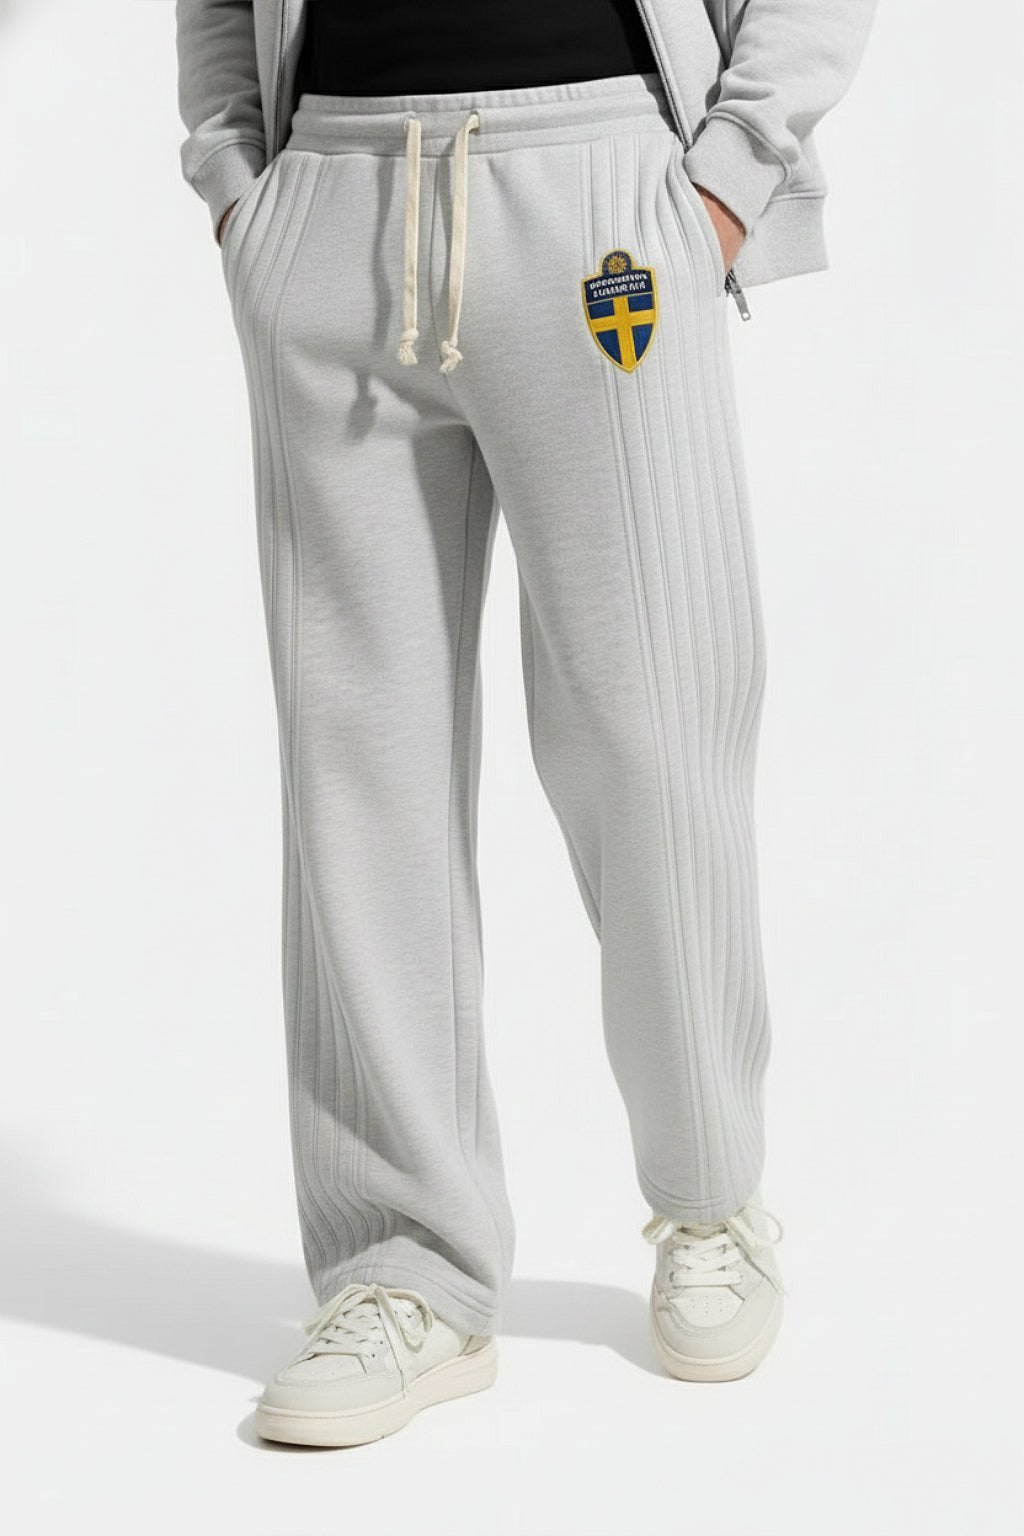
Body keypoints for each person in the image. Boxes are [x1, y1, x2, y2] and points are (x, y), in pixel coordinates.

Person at [176, 0, 875, 1446]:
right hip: (332, 192)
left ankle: (709, 1199)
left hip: (604, 193)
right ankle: (402, 1265)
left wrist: (730, 175)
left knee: (652, 740)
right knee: (356, 764)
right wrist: (240, 178)